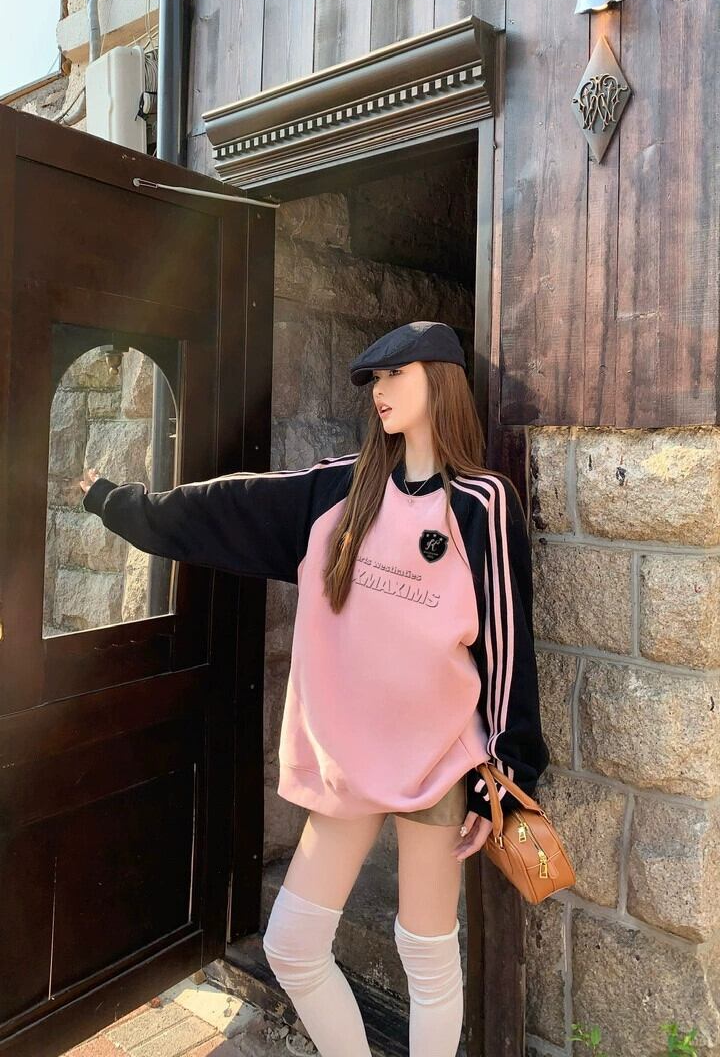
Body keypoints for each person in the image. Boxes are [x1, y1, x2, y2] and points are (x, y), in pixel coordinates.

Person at [79, 320, 549, 1057]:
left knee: (426, 953)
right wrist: (118, 503)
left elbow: (508, 641)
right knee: (294, 946)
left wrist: (511, 773)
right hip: (348, 761)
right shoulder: (339, 490)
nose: (380, 392)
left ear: (441, 380)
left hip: (439, 758)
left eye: (395, 375)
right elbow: (225, 507)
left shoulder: (482, 503)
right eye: (374, 381)